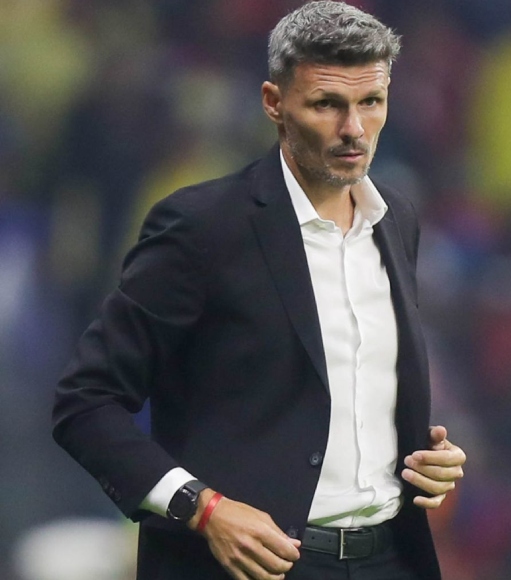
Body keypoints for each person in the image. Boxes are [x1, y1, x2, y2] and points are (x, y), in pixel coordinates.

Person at [52, 2, 465, 579]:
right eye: (327, 104)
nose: (354, 128)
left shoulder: (397, 219)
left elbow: (335, 395)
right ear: (275, 103)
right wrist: (202, 509)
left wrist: (424, 458)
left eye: (371, 102)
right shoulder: (202, 228)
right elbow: (85, 403)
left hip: (391, 559)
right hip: (253, 569)